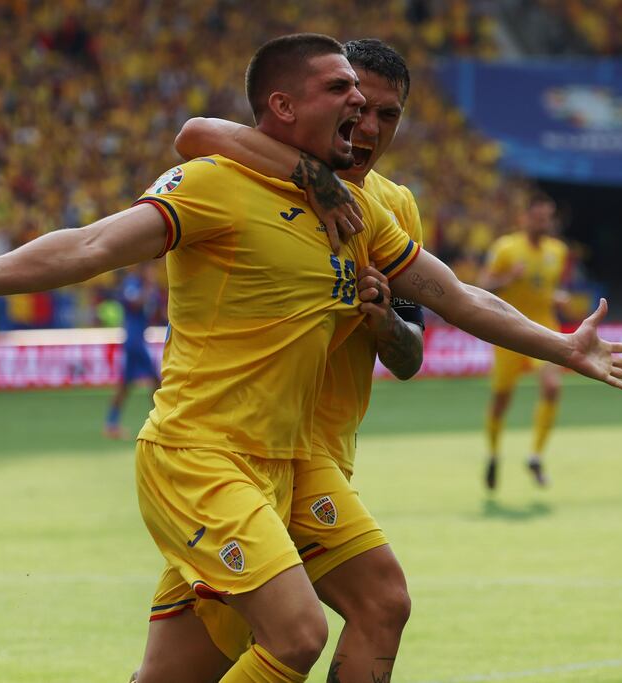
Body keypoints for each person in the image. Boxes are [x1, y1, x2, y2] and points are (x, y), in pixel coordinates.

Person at [0, 34, 622, 682]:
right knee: (296, 635)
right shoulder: (216, 184)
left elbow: (456, 295)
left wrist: (560, 345)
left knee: (360, 608)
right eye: (343, 90)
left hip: (287, 462)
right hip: (201, 454)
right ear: (284, 106)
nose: (361, 109)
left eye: (375, 104)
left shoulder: (363, 209)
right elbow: (93, 243)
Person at [150, 39, 425, 683]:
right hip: (243, 453)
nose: (369, 127)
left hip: (312, 457)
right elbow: (195, 133)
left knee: (189, 667)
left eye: (388, 116)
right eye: (359, 106)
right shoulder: (253, 175)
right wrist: (313, 176)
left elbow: (413, 352)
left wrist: (384, 320)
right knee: (330, 620)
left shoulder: (393, 208)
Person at [479, 193, 568, 490]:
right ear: (525, 218)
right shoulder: (506, 248)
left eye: (547, 218)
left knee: (552, 387)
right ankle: (493, 455)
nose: (544, 223)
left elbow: (545, 287)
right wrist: (508, 278)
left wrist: (557, 297)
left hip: (543, 327)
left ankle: (535, 457)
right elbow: (482, 285)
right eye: (538, 217)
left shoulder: (558, 251)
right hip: (509, 329)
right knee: (501, 399)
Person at [104, 262, 162, 439]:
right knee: (155, 381)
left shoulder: (148, 287)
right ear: (142, 269)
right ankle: (161, 421)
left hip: (139, 339)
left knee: (125, 384)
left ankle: (111, 424)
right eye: (150, 269)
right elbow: (135, 304)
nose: (152, 272)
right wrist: (148, 288)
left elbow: (155, 312)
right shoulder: (132, 284)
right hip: (134, 341)